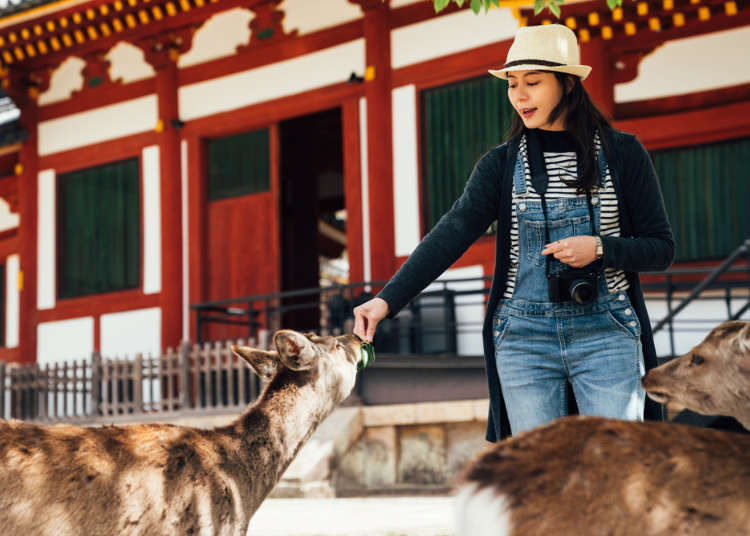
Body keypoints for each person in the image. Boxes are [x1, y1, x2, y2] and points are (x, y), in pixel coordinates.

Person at [352, 24, 674, 441]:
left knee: (616, 471)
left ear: (568, 84)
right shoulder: (500, 165)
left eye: (533, 83)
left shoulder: (623, 153)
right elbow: (452, 233)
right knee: (538, 479)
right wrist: (386, 301)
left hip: (607, 332)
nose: (519, 96)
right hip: (523, 338)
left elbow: (661, 249)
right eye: (512, 84)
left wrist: (599, 248)